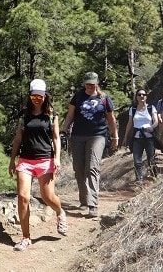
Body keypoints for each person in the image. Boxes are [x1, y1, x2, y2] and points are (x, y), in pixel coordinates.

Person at [8, 78, 67, 251]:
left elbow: (56, 138)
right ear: (30, 96)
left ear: (45, 96)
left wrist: (57, 158)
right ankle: (26, 237)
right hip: (25, 160)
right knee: (23, 197)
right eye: (34, 96)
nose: (37, 99)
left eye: (40, 96)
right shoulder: (24, 116)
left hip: (45, 159)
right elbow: (18, 138)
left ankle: (60, 212)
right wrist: (12, 160)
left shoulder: (51, 115)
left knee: (48, 197)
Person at [61, 71, 118, 218]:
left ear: (97, 83)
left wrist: (115, 136)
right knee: (79, 169)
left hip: (98, 135)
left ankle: (93, 204)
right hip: (78, 135)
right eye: (87, 83)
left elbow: (111, 119)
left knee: (92, 167)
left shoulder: (104, 98)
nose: (90, 86)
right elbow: (70, 115)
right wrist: (63, 129)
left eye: (92, 83)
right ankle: (84, 199)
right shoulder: (78, 97)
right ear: (84, 83)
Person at [121, 89, 158, 183]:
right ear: (136, 97)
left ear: (146, 96)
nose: (142, 96)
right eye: (139, 94)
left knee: (151, 158)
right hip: (137, 138)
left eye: (144, 94)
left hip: (149, 137)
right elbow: (130, 123)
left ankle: (154, 177)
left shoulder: (151, 108)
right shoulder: (133, 109)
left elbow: (156, 121)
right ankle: (139, 179)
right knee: (137, 160)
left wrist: (152, 127)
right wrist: (126, 137)